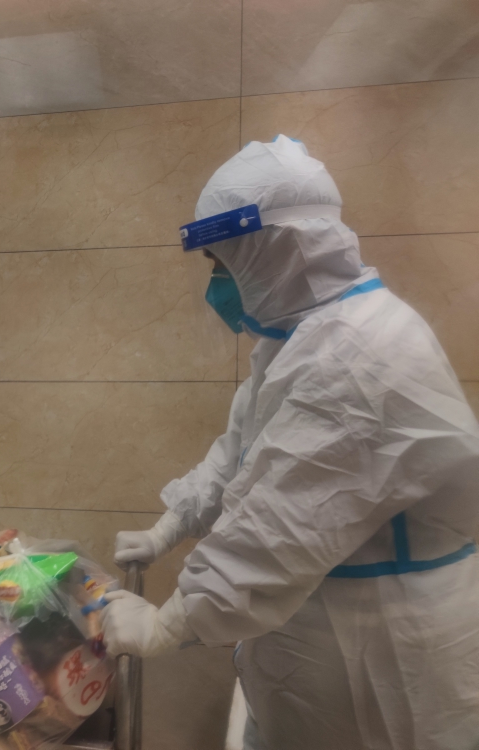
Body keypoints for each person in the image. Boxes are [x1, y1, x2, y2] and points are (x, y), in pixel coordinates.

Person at [100, 136, 479, 749]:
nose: (217, 285)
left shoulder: (358, 354)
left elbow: (278, 529)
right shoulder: (302, 339)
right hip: (329, 635)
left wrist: (164, 626)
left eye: (221, 263)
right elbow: (242, 455)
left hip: (386, 657)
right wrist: (168, 528)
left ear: (271, 250)